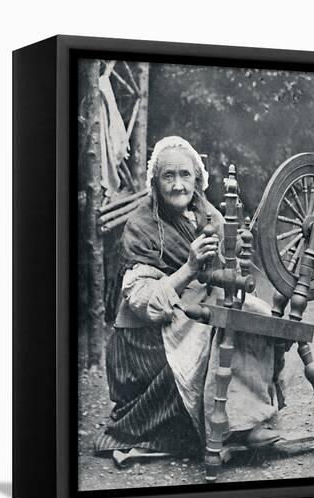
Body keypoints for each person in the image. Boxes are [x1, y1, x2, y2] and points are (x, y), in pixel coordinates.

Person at [95, 136, 282, 462]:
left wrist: (239, 258)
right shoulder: (141, 225)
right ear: (155, 182)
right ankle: (229, 428)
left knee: (255, 314)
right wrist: (190, 267)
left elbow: (229, 273)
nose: (178, 185)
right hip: (145, 339)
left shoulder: (207, 213)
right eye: (169, 176)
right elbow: (145, 304)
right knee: (217, 327)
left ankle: (249, 418)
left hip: (190, 310)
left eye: (185, 175)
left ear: (198, 179)